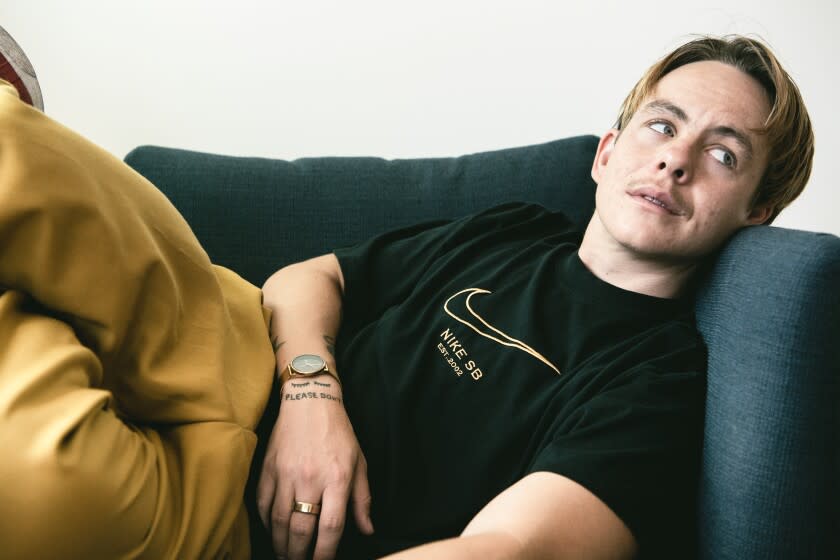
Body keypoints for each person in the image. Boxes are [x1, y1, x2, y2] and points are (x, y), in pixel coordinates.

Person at [0, 26, 813, 560]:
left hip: (222, 525)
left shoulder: (659, 379)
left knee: (23, 461)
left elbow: (507, 551)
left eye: (724, 155)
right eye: (663, 127)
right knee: (16, 154)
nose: (675, 161)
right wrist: (312, 397)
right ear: (607, 153)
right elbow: (308, 277)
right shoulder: (516, 230)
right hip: (229, 347)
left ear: (756, 215)